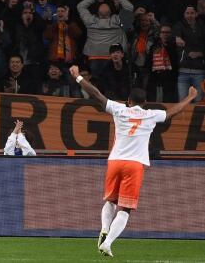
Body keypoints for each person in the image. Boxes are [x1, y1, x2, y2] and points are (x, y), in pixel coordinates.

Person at [69, 65, 198, 257]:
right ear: (144, 103)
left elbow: (96, 94)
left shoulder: (120, 109)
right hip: (134, 164)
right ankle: (108, 242)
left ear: (129, 101)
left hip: (115, 161)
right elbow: (173, 112)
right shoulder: (150, 115)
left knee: (111, 200)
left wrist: (78, 77)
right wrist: (189, 97)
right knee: (125, 208)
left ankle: (104, 228)